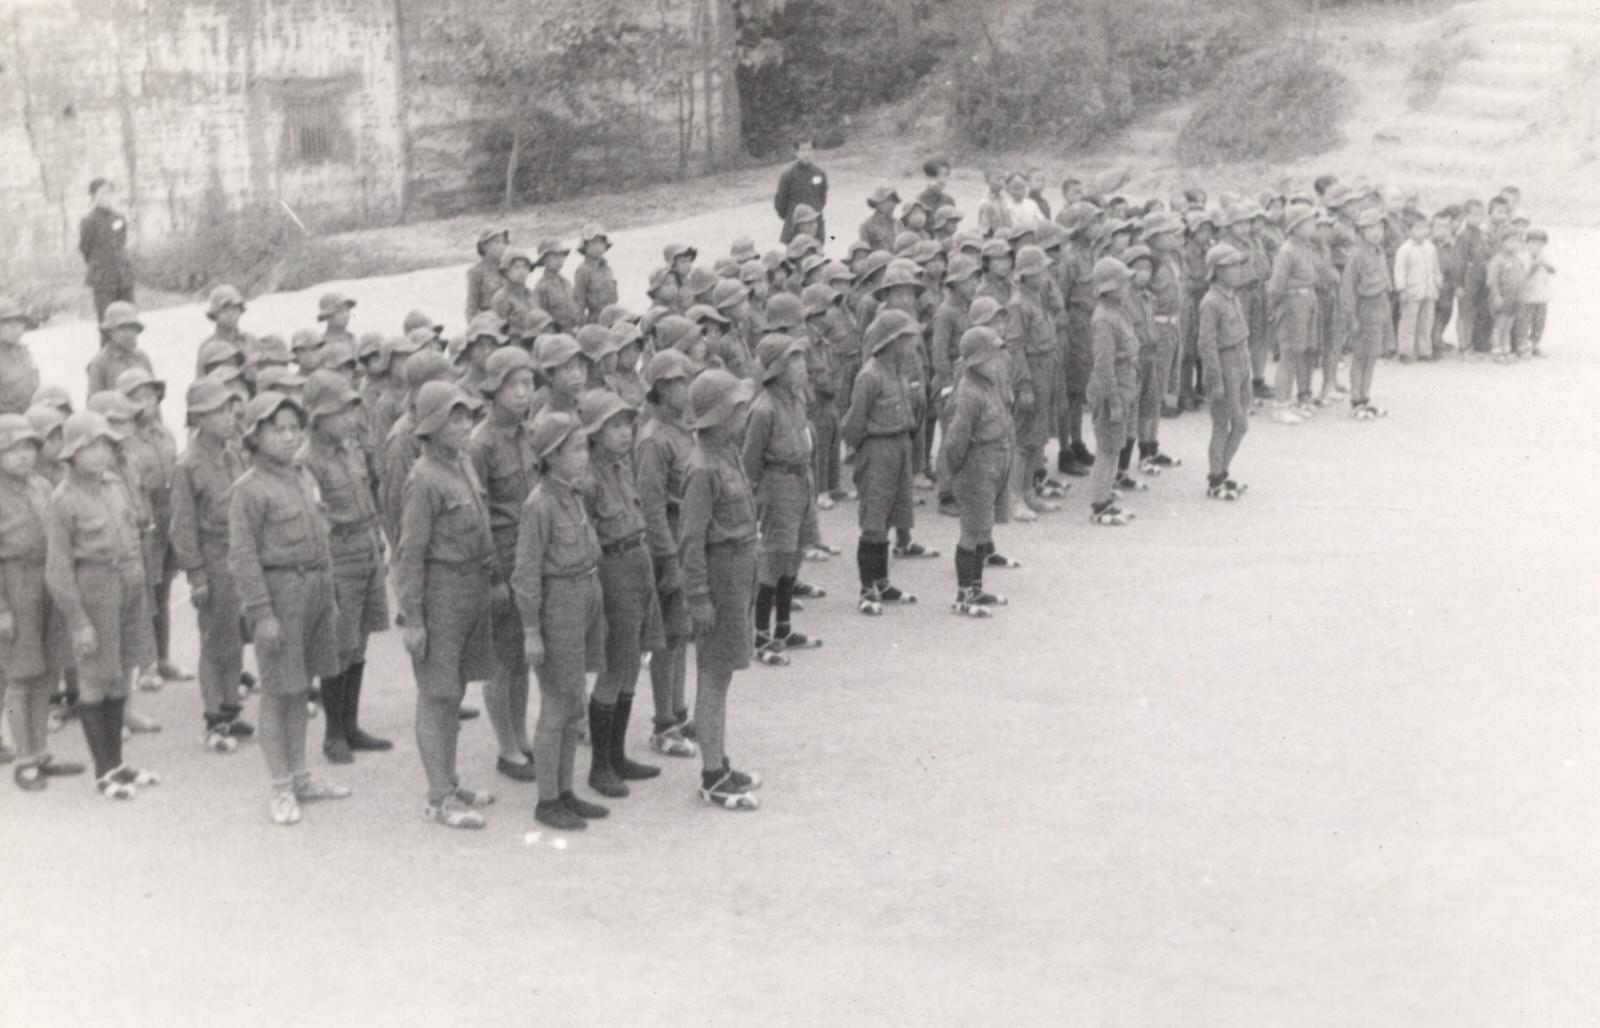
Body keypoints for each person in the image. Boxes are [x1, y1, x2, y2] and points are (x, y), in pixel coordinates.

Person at [228, 392, 350, 824]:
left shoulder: (300, 476)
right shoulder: (249, 490)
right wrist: (261, 614)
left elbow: (321, 537)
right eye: (276, 429)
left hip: (313, 588)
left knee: (300, 688)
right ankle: (280, 787)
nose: (288, 436)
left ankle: (301, 776)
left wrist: (329, 596)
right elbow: (243, 558)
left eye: (294, 428)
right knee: (278, 691)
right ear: (255, 437)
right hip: (280, 594)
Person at [398, 382, 499, 830]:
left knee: (454, 693)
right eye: (454, 418)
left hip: (470, 588)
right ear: (433, 426)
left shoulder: (461, 464)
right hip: (440, 592)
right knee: (436, 695)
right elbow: (411, 553)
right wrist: (415, 618)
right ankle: (437, 796)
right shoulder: (423, 479)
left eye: (465, 417)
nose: (464, 425)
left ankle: (451, 780)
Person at [45, 411, 153, 798]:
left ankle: (119, 764)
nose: (101, 453)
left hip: (127, 587)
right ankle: (103, 772)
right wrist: (78, 621)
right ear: (72, 454)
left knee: (121, 671)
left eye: (106, 444)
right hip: (94, 591)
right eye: (91, 446)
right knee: (94, 678)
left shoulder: (114, 485)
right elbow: (58, 569)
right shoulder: (63, 500)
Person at [512, 411, 610, 831]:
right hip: (558, 606)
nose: (583, 456)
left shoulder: (571, 494)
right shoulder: (540, 505)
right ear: (550, 457)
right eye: (574, 449)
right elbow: (526, 572)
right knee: (556, 704)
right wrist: (532, 629)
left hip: (583, 596)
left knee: (573, 703)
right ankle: (547, 799)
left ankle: (566, 791)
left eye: (585, 447)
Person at [298, 371, 392, 766]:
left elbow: (366, 493)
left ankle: (351, 726)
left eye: (350, 411)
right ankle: (334, 733)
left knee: (360, 641)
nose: (348, 419)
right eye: (339, 413)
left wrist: (377, 536)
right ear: (317, 418)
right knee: (339, 644)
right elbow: (315, 518)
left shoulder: (349, 451)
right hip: (338, 555)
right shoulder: (307, 462)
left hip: (366, 547)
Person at [679, 370, 763, 811]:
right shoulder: (702, 468)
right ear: (717, 416)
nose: (743, 412)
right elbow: (691, 541)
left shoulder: (726, 453)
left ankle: (720, 760)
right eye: (736, 407)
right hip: (719, 574)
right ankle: (711, 774)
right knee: (713, 676)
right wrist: (698, 597)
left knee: (723, 674)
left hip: (737, 571)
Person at [578, 389, 664, 798]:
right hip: (612, 569)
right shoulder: (589, 479)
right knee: (614, 667)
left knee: (631, 662)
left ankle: (617, 756)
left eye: (627, 423)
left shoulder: (621, 468)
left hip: (637, 561)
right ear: (593, 433)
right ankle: (600, 765)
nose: (625, 432)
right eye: (614, 425)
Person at [466, 347, 541, 783]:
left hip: (529, 560)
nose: (523, 392)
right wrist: (494, 575)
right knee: (501, 660)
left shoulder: (528, 434)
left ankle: (522, 739)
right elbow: (480, 514)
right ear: (494, 391)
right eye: (515, 385)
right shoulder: (482, 443)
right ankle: (507, 746)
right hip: (503, 559)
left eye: (528, 384)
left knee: (522, 659)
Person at [0, 413, 84, 790]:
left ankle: (42, 750)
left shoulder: (41, 486)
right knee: (21, 675)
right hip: (15, 584)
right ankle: (25, 757)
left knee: (48, 669)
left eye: (28, 448)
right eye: (12, 449)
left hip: (47, 581)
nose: (22, 456)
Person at [169, 378, 252, 754]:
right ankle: (213, 718)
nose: (228, 417)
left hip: (238, 555)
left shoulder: (232, 455)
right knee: (213, 641)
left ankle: (231, 708)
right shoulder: (188, 466)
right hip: (213, 559)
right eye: (219, 411)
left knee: (234, 638)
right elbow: (183, 526)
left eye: (228, 409)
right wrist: (196, 574)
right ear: (199, 418)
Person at [634, 350, 699, 758]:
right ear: (659, 388)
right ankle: (663, 724)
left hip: (686, 537)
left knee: (681, 634)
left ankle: (677, 712)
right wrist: (669, 559)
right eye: (677, 382)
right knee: (666, 638)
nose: (685, 387)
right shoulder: (654, 438)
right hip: (669, 541)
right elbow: (652, 505)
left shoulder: (678, 429)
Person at [743, 333, 823, 664]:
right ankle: (760, 634)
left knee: (795, 553)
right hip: (777, 485)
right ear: (776, 368)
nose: (802, 366)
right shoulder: (763, 409)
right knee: (774, 558)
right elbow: (751, 461)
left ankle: (784, 627)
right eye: (794, 361)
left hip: (801, 480)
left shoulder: (797, 399)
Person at [842, 311, 924, 615]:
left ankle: (883, 582)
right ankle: (867, 588)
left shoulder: (899, 370)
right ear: (892, 341)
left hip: (900, 444)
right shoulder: (871, 375)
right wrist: (868, 449)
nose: (913, 341)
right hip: (877, 449)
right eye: (907, 337)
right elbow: (852, 425)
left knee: (893, 514)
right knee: (874, 519)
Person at [116, 368, 187, 686]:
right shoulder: (124, 441)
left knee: (165, 589)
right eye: (137, 397)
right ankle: (145, 667)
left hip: (169, 516)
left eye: (150, 395)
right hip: (145, 521)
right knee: (146, 595)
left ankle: (163, 658)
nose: (146, 403)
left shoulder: (165, 433)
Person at [942, 327, 1017, 618]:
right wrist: (959, 471)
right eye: (991, 356)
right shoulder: (970, 392)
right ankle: (963, 594)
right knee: (971, 532)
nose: (997, 361)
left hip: (994, 461)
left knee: (983, 528)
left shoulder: (987, 385)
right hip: (977, 465)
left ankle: (975, 587)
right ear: (977, 360)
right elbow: (955, 439)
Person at [1086, 257, 1140, 527]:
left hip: (1124, 384)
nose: (1127, 286)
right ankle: (1099, 504)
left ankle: (1106, 499)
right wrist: (1114, 400)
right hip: (1112, 388)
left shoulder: (1117, 311)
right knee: (1107, 449)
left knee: (1114, 446)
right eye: (1122, 282)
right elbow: (1103, 364)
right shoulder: (1105, 319)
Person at [1196, 244, 1252, 500]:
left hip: (1240, 360)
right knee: (1223, 424)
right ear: (1217, 270)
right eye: (1231, 266)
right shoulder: (1211, 302)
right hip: (1224, 363)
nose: (1238, 270)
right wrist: (1214, 379)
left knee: (1240, 424)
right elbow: (1206, 344)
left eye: (1239, 264)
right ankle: (1215, 478)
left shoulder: (1231, 296)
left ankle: (1222, 472)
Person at [1264, 204, 1321, 424]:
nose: (1313, 226)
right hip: (1293, 302)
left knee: (1300, 353)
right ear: (1295, 227)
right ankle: (1280, 404)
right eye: (1308, 222)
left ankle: (1290, 401)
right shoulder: (1287, 250)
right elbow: (1276, 286)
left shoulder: (1304, 247)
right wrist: (1276, 307)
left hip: (1306, 300)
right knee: (1288, 355)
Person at [1342, 209, 1394, 415]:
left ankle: (1365, 396)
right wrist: (1351, 317)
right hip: (1364, 307)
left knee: (1372, 355)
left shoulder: (1378, 251)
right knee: (1360, 355)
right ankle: (1356, 400)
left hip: (1380, 305)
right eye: (1370, 228)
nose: (1376, 232)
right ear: (1360, 231)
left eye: (1379, 227)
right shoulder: (1356, 255)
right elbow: (1348, 288)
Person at [79, 178, 135, 320]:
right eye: (102, 193)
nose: (107, 196)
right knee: (107, 321)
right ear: (93, 196)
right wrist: (99, 264)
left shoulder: (119, 217)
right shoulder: (88, 221)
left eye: (109, 192)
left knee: (129, 318)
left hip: (123, 277)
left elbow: (121, 242)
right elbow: (86, 249)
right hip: (103, 279)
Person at [1393, 212, 1441, 363]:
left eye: (1425, 228)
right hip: (1412, 292)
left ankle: (1424, 351)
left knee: (1426, 323)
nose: (1422, 232)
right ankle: (1405, 352)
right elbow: (1399, 271)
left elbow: (1435, 268)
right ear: (1409, 230)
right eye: (1417, 228)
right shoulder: (1404, 250)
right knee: (1408, 322)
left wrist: (1437, 282)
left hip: (1428, 290)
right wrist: (1401, 289)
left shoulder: (1431, 248)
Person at [86, 301, 154, 396]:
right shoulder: (100, 363)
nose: (129, 333)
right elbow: (94, 404)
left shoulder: (142, 358)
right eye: (122, 328)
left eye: (133, 327)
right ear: (110, 332)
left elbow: (153, 399)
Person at [775, 136, 828, 244]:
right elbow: (780, 203)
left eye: (810, 150)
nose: (807, 154)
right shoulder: (788, 175)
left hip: (815, 227)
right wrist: (792, 218)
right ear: (796, 153)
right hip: (795, 227)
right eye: (803, 150)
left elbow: (822, 199)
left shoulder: (819, 173)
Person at [1485, 226, 1527, 363]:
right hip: (1502, 297)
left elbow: (1521, 276)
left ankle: (1506, 350)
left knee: (1509, 325)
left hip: (1515, 298)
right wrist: (1496, 295)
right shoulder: (1497, 260)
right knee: (1500, 325)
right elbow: (1492, 280)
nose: (1514, 244)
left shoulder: (1517, 259)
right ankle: (1496, 352)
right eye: (1511, 241)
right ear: (1502, 242)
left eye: (1517, 241)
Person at [0, 298, 41, 417]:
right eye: (7, 324)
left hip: (30, 415)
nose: (15, 328)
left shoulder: (23, 351)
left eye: (18, 323)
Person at [572, 224, 619, 327]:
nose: (598, 247)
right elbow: (579, 303)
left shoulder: (607, 269)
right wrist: (580, 327)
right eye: (593, 243)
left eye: (601, 242)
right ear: (586, 246)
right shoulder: (583, 271)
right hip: (596, 321)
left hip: (612, 317)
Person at [532, 239, 581, 333]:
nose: (559, 260)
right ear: (544, 260)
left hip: (574, 331)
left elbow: (575, 309)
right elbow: (541, 320)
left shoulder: (566, 283)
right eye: (554, 256)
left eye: (561, 256)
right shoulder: (541, 288)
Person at [466, 227, 510, 323]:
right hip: (489, 321)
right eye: (497, 242)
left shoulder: (509, 268)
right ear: (484, 247)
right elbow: (472, 307)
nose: (501, 246)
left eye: (503, 242)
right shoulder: (476, 272)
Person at [1522, 227, 1554, 358]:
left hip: (1541, 296)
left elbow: (1553, 270)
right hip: (1527, 296)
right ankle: (1523, 346)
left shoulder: (1544, 256)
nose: (1537, 247)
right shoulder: (1524, 257)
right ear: (1527, 243)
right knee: (1525, 322)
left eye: (1541, 244)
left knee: (1539, 322)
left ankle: (1535, 344)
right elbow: (1524, 275)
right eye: (1534, 243)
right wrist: (1535, 266)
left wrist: (1548, 266)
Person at [860, 185, 901, 253]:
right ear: (877, 203)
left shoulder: (898, 223)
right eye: (887, 200)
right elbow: (864, 251)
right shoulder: (867, 225)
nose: (890, 204)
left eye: (893, 201)